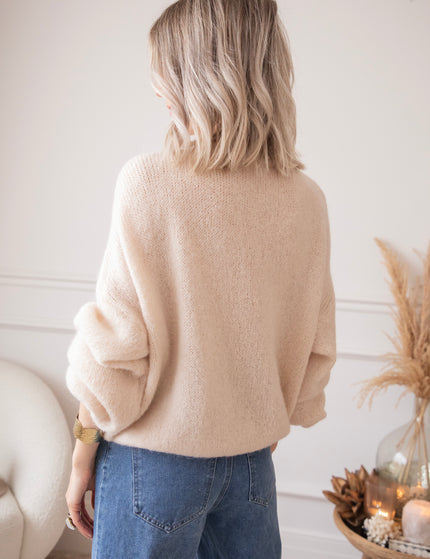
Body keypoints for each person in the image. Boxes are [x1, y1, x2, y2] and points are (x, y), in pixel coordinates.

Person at [64, 0, 337, 557]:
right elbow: (314, 347)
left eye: (165, 73)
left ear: (197, 78)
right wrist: (252, 425)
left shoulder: (148, 183)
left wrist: (81, 454)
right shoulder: (307, 200)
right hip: (253, 469)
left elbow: (115, 349)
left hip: (152, 466)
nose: (156, 90)